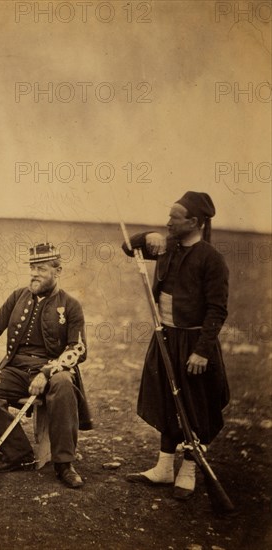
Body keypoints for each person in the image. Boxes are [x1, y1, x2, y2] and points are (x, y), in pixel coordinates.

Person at [122, 191, 230, 500]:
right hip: (164, 336)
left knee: (194, 404)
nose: (168, 222)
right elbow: (128, 247)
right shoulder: (166, 247)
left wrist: (202, 351)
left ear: (194, 222)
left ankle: (189, 470)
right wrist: (148, 236)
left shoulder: (211, 259)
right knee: (167, 400)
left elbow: (217, 310)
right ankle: (163, 468)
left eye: (174, 217)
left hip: (193, 342)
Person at [0, 243, 92, 488]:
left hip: (52, 371)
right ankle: (19, 454)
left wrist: (47, 372)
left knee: (65, 383)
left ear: (58, 271)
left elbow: (78, 348)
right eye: (32, 267)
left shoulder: (71, 305)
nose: (34, 273)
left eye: (42, 268)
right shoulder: (17, 297)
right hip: (16, 370)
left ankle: (64, 463)